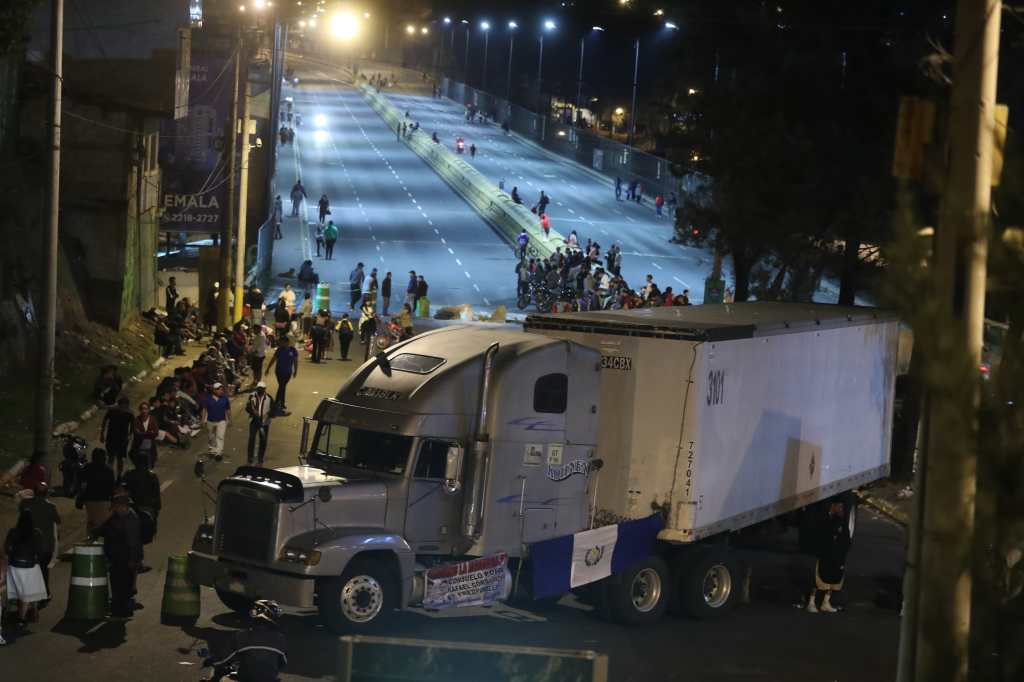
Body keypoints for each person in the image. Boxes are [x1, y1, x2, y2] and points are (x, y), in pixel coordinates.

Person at [202, 600, 288, 682]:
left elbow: (224, 660)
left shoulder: (242, 635)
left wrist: (211, 660)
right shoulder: (280, 638)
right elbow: (283, 663)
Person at [91, 492, 142, 619]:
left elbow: (133, 542)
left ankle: (121, 611)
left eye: (116, 506)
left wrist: (133, 560)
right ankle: (119, 609)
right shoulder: (117, 517)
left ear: (123, 506)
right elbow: (105, 528)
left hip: (124, 558)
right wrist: (95, 531)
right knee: (118, 584)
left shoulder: (130, 519)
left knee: (122, 585)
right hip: (116, 557)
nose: (114, 509)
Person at [4, 509, 48, 628]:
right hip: (30, 565)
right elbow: (42, 551)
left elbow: (7, 549)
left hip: (15, 565)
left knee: (20, 590)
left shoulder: (13, 532)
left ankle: (22, 612)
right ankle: (23, 617)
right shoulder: (36, 533)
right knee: (30, 590)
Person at [807, 501, 852, 614]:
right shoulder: (823, 517)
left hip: (837, 554)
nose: (842, 509)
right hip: (824, 553)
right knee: (818, 577)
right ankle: (811, 602)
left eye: (842, 507)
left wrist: (842, 552)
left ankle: (825, 603)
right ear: (833, 506)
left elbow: (846, 537)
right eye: (839, 506)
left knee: (834, 577)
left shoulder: (842, 520)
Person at [18, 483, 59, 596]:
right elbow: (58, 520)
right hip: (46, 546)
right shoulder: (51, 507)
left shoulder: (25, 504)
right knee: (43, 570)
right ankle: (44, 591)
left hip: (28, 545)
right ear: (46, 494)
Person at [122, 458, 161, 551]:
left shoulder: (129, 474)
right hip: (147, 508)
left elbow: (122, 489)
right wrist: (157, 509)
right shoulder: (152, 476)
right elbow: (156, 495)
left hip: (132, 507)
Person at [78, 448, 115, 531]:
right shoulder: (109, 470)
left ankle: (90, 538)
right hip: (104, 500)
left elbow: (82, 484)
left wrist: (81, 497)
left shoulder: (87, 467)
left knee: (92, 520)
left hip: (90, 500)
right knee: (103, 524)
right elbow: (112, 487)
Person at [100, 397, 134, 478]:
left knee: (115, 458)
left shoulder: (127, 413)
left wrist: (130, 435)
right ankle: (113, 475)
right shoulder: (127, 412)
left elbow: (132, 426)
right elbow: (104, 421)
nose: (123, 407)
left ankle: (115, 475)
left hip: (118, 438)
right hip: (116, 438)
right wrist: (102, 434)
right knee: (115, 457)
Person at [267, 336, 299, 416]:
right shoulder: (279, 350)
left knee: (282, 387)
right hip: (279, 372)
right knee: (282, 387)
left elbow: (295, 361)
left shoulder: (293, 350)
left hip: (287, 372)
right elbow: (273, 359)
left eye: (281, 342)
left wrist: (296, 371)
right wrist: (268, 368)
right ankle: (278, 406)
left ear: (287, 342)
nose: (280, 344)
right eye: (280, 342)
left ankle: (279, 404)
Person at [201, 383, 231, 462]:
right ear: (214, 390)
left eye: (221, 389)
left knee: (220, 437)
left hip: (221, 421)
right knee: (211, 437)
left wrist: (230, 419)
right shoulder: (208, 399)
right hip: (210, 421)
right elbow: (204, 410)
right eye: (219, 389)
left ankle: (219, 453)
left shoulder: (225, 399)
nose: (221, 391)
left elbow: (228, 410)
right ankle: (212, 450)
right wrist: (203, 420)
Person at [246, 382, 273, 466]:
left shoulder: (269, 398)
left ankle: (260, 459)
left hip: (264, 422)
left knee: (263, 440)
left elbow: (273, 409)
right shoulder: (252, 396)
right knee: (252, 438)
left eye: (262, 388)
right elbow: (247, 408)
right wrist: (252, 411)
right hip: (254, 421)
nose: (260, 390)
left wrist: (269, 414)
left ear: (265, 389)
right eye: (259, 388)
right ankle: (250, 458)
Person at [131, 401, 160, 470]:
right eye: (142, 409)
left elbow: (156, 432)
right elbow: (136, 433)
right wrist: (149, 433)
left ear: (148, 410)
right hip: (138, 445)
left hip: (150, 445)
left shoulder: (152, 419)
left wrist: (143, 433)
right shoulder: (137, 420)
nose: (144, 411)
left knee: (150, 461)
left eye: (146, 409)